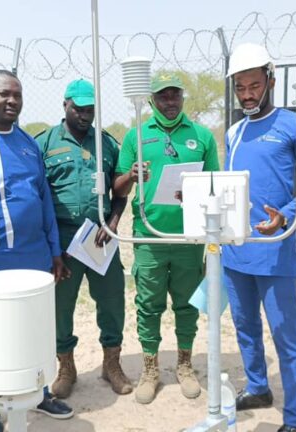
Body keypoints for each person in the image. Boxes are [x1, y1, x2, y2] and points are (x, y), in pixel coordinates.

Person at [0, 69, 73, 432]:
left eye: (17, 95)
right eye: (4, 94)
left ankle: (39, 394)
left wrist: (54, 251)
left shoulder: (28, 143)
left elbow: (43, 200)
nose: (12, 101)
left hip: (35, 256)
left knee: (36, 328)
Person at [221, 43, 296, 432]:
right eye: (240, 88)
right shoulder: (234, 132)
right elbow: (231, 186)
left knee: (286, 334)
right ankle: (258, 387)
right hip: (235, 250)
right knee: (244, 325)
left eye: (254, 85)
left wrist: (286, 214)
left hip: (274, 249)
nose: (247, 95)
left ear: (271, 80)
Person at [114, 73, 220, 404]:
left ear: (183, 97)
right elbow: (117, 186)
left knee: (187, 303)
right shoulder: (137, 136)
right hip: (149, 238)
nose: (170, 102)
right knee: (149, 304)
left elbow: (216, 182)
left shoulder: (201, 136)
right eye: (163, 96)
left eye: (175, 95)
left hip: (190, 237)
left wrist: (199, 193)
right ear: (151, 101)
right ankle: (150, 369)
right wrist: (131, 176)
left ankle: (185, 366)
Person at [34, 79, 132, 399]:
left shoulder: (106, 144)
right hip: (63, 239)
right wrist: (50, 247)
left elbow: (120, 191)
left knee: (112, 300)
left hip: (101, 236)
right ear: (65, 105)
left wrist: (114, 222)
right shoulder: (45, 143)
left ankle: (111, 364)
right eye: (79, 109)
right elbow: (38, 196)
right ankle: (66, 367)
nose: (86, 115)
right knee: (61, 306)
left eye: (91, 109)